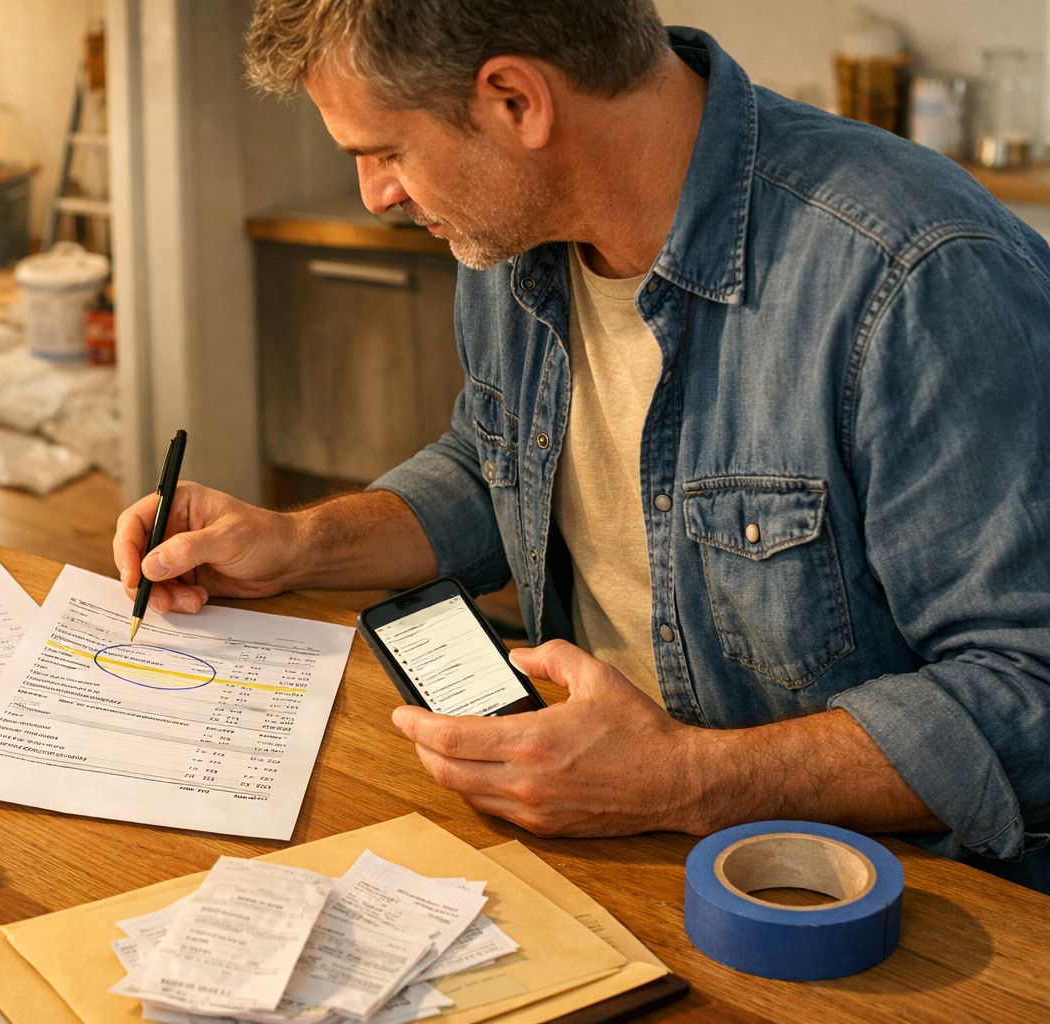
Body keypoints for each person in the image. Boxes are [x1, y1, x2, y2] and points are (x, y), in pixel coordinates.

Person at [113, 0, 1050, 890]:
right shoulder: (511, 235)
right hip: (606, 837)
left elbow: (1029, 690)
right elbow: (494, 467)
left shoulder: (913, 275)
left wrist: (683, 779)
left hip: (881, 905)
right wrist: (297, 544)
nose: (375, 196)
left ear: (515, 100)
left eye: (387, 151)